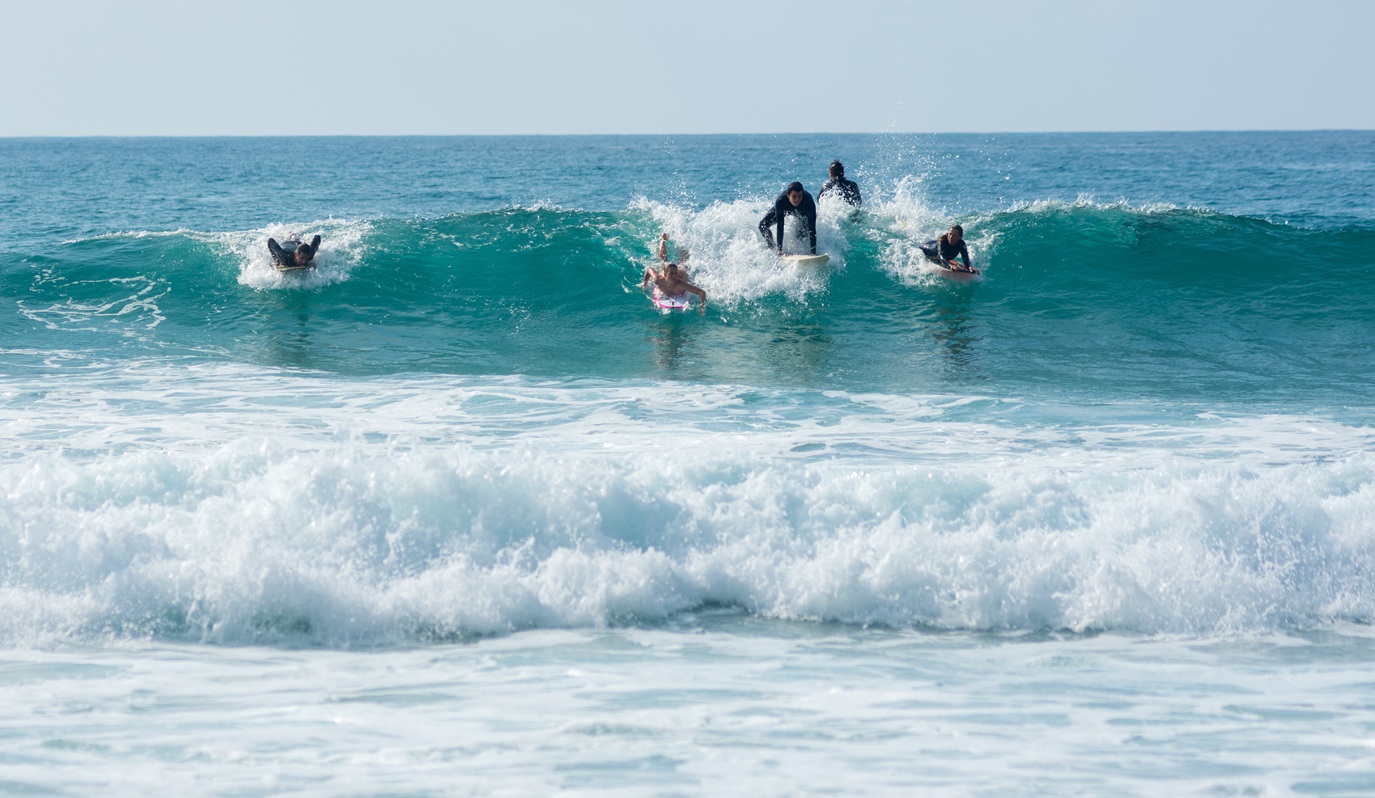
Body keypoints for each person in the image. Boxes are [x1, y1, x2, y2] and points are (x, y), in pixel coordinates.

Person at [758, 181, 817, 256]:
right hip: (785, 209)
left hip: (803, 213)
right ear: (788, 195)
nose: (797, 200)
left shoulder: (808, 202)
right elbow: (780, 226)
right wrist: (780, 248)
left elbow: (812, 229)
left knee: (801, 235)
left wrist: (813, 251)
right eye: (794, 196)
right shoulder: (781, 201)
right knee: (762, 225)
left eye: (800, 196)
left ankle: (803, 252)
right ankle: (772, 246)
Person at [642, 260, 707, 312]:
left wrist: (702, 308)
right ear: (665, 274)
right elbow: (649, 270)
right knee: (663, 261)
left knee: (682, 263)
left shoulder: (681, 284)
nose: (674, 276)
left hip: (682, 275)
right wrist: (644, 284)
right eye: (672, 274)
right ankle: (662, 243)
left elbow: (701, 292)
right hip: (664, 273)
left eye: (676, 273)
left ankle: (683, 248)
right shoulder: (658, 280)